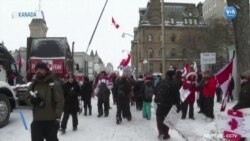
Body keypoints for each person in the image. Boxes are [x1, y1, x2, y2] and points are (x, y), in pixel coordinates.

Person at [26, 62, 64, 141]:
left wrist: (57, 118)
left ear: (46, 71)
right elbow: (27, 98)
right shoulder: (33, 85)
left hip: (51, 122)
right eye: (37, 69)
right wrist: (32, 100)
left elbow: (60, 101)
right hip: (37, 121)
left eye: (41, 69)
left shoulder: (53, 84)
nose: (38, 71)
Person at [154, 69, 180, 140]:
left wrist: (157, 99)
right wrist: (178, 105)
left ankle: (160, 133)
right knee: (167, 119)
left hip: (160, 103)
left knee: (159, 118)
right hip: (169, 104)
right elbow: (177, 95)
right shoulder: (173, 83)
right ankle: (166, 134)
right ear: (172, 76)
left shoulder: (161, 82)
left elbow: (155, 91)